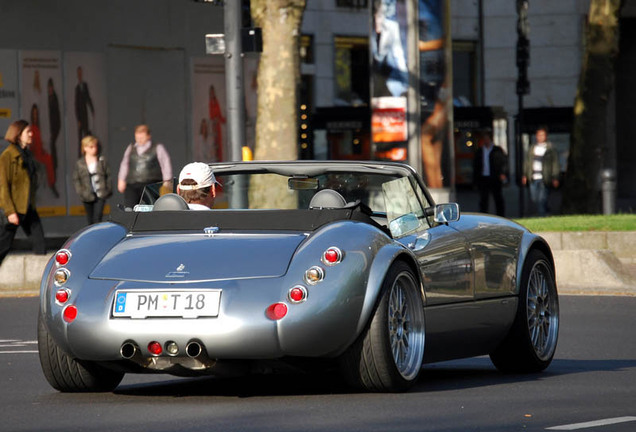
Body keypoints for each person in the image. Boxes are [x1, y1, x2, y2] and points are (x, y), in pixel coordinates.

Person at [0, 120, 46, 267]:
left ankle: (43, 281)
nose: (31, 134)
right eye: (28, 132)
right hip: (14, 209)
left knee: (40, 244)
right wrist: (10, 211)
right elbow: (2, 186)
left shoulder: (27, 155)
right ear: (18, 134)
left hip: (28, 207)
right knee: (3, 246)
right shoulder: (7, 156)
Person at [117, 124, 173, 209]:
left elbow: (165, 163)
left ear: (148, 136)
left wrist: (167, 180)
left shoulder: (157, 147)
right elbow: (125, 164)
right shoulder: (131, 148)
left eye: (141, 137)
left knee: (151, 207)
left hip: (151, 184)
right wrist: (121, 180)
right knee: (129, 208)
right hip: (132, 184)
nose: (139, 140)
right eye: (137, 137)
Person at [73, 135, 112, 224]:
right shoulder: (80, 163)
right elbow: (76, 179)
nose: (94, 149)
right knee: (90, 219)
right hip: (86, 194)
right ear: (85, 148)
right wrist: (81, 191)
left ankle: (98, 235)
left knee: (97, 217)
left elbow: (108, 176)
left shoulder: (101, 160)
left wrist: (107, 189)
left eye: (95, 146)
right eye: (91, 147)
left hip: (100, 193)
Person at [522, 126, 560, 217]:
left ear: (546, 136)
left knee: (542, 198)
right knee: (534, 198)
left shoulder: (550, 149)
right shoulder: (532, 148)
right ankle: (546, 211)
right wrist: (525, 175)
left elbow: (555, 163)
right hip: (533, 177)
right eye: (539, 135)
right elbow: (527, 162)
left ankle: (541, 216)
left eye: (542, 135)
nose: (540, 137)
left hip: (545, 177)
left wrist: (555, 177)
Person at [473, 131, 508, 216]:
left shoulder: (497, 150)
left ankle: (501, 215)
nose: (486, 141)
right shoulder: (480, 151)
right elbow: (476, 165)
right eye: (484, 139)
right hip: (483, 178)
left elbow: (503, 162)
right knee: (483, 199)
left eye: (487, 139)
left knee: (498, 197)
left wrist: (502, 173)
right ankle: (484, 215)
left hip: (495, 177)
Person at [75, 66, 94, 156]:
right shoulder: (77, 88)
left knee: (86, 134)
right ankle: (80, 155)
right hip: (80, 116)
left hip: (85, 115)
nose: (79, 75)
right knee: (80, 137)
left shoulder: (84, 86)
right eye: (78, 73)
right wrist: (78, 119)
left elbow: (88, 98)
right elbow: (76, 105)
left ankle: (87, 154)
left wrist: (92, 109)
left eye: (80, 73)